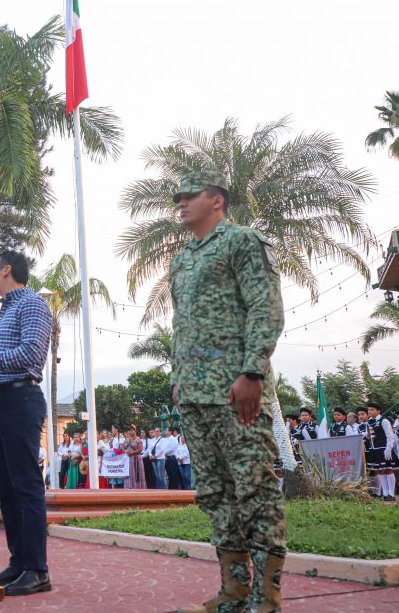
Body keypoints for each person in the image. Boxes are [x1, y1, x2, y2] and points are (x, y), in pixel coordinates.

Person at [169, 169, 286, 612]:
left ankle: (266, 598)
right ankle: (234, 592)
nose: (181, 203)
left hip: (238, 393)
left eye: (190, 195)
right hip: (195, 397)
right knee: (216, 496)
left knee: (254, 491)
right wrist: (178, 380)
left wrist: (252, 372)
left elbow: (265, 306)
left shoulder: (242, 241)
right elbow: (181, 325)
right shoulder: (182, 260)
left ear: (216, 199)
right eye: (178, 198)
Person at [0, 249, 53, 597]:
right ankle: (18, 562)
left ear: (7, 270)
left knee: (26, 486)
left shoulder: (33, 305)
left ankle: (37, 570)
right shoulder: (4, 313)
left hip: (21, 400)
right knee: (5, 490)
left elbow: (32, 353)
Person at [366, 402, 396, 502]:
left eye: (372, 410)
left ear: (378, 411)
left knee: (388, 470)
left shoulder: (384, 421)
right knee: (380, 471)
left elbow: (390, 435)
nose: (370, 411)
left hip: (384, 448)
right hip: (374, 449)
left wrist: (388, 448)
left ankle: (391, 493)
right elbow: (370, 436)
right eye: (369, 410)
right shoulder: (369, 422)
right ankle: (385, 493)